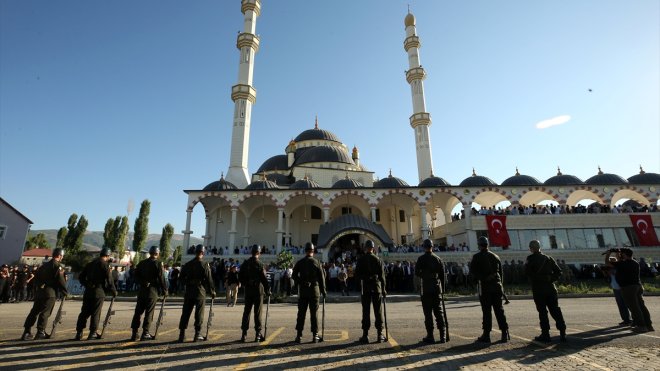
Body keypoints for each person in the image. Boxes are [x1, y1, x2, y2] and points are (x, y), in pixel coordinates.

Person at [21, 248, 68, 340]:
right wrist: (64, 292)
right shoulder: (58, 266)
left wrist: (41, 287)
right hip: (50, 293)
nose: (62, 257)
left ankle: (27, 331)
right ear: (59, 255)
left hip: (40, 292)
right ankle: (40, 332)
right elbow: (61, 280)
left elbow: (36, 279)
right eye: (62, 256)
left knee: (34, 311)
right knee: (45, 312)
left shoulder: (44, 266)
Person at [525, 240, 566, 342]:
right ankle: (562, 332)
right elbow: (558, 272)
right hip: (551, 288)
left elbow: (527, 273)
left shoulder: (530, 259)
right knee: (555, 310)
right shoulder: (548, 258)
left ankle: (545, 334)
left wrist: (539, 278)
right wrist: (550, 279)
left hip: (539, 289)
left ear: (531, 248)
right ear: (539, 247)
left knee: (542, 312)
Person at [469, 236, 509, 343]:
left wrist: (477, 281)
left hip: (485, 288)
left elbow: (473, 273)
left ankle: (486, 335)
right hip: (497, 287)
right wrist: (501, 286)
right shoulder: (496, 256)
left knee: (486, 312)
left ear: (479, 245)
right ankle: (504, 333)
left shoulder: (476, 257)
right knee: (499, 310)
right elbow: (501, 274)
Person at [605, 248, 654, 332]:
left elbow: (607, 263)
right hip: (637, 286)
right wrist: (619, 254)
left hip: (628, 288)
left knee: (634, 308)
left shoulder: (623, 263)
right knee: (641, 306)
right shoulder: (634, 262)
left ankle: (641, 326)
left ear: (624, 254)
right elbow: (620, 262)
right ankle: (648, 325)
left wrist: (608, 254)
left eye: (621, 254)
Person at [75, 248, 117, 340]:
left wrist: (87, 284)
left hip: (88, 291)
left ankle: (79, 332)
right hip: (99, 291)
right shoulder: (105, 265)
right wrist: (114, 291)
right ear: (107, 256)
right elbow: (109, 280)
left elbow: (81, 277)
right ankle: (92, 333)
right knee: (95, 313)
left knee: (84, 312)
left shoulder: (90, 264)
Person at [178, 245, 215, 342]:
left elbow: (181, 279)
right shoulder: (204, 265)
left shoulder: (188, 264)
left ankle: (182, 334)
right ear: (203, 253)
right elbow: (209, 279)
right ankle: (197, 334)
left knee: (185, 312)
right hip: (200, 292)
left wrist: (188, 283)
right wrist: (212, 291)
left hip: (189, 291)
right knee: (199, 314)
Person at [130, 246, 168, 341]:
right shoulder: (158, 264)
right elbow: (161, 278)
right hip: (152, 291)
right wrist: (165, 290)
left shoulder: (142, 263)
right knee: (149, 313)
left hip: (142, 291)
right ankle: (145, 333)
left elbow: (135, 277)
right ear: (157, 254)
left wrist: (142, 282)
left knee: (138, 312)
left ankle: (134, 333)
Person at [292, 242, 326, 343]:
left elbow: (293, 275)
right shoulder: (317, 262)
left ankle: (299, 335)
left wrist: (300, 282)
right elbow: (322, 278)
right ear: (313, 251)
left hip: (303, 290)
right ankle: (315, 335)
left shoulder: (300, 262)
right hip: (314, 291)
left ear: (305, 251)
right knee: (314, 314)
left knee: (301, 313)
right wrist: (323, 290)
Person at [415, 239, 447, 343]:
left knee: (428, 313)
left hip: (426, 287)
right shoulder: (438, 259)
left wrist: (424, 275)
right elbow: (442, 276)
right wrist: (443, 290)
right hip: (436, 287)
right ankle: (443, 335)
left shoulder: (421, 259)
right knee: (439, 312)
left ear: (424, 247)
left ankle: (430, 336)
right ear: (432, 246)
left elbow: (416, 272)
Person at [354, 240, 386, 343]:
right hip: (376, 287)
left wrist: (363, 280)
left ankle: (365, 335)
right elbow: (382, 277)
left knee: (366, 311)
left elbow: (357, 276)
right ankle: (379, 334)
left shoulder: (361, 260)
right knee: (378, 311)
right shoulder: (378, 259)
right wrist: (384, 289)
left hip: (366, 288)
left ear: (365, 248)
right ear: (373, 248)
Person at [239, 244, 271, 342]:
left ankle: (244, 334)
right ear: (258, 253)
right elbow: (264, 279)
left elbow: (240, 277)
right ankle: (258, 334)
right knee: (257, 313)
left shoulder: (245, 264)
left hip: (248, 290)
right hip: (258, 290)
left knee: (246, 312)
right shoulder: (260, 264)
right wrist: (268, 289)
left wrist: (245, 283)